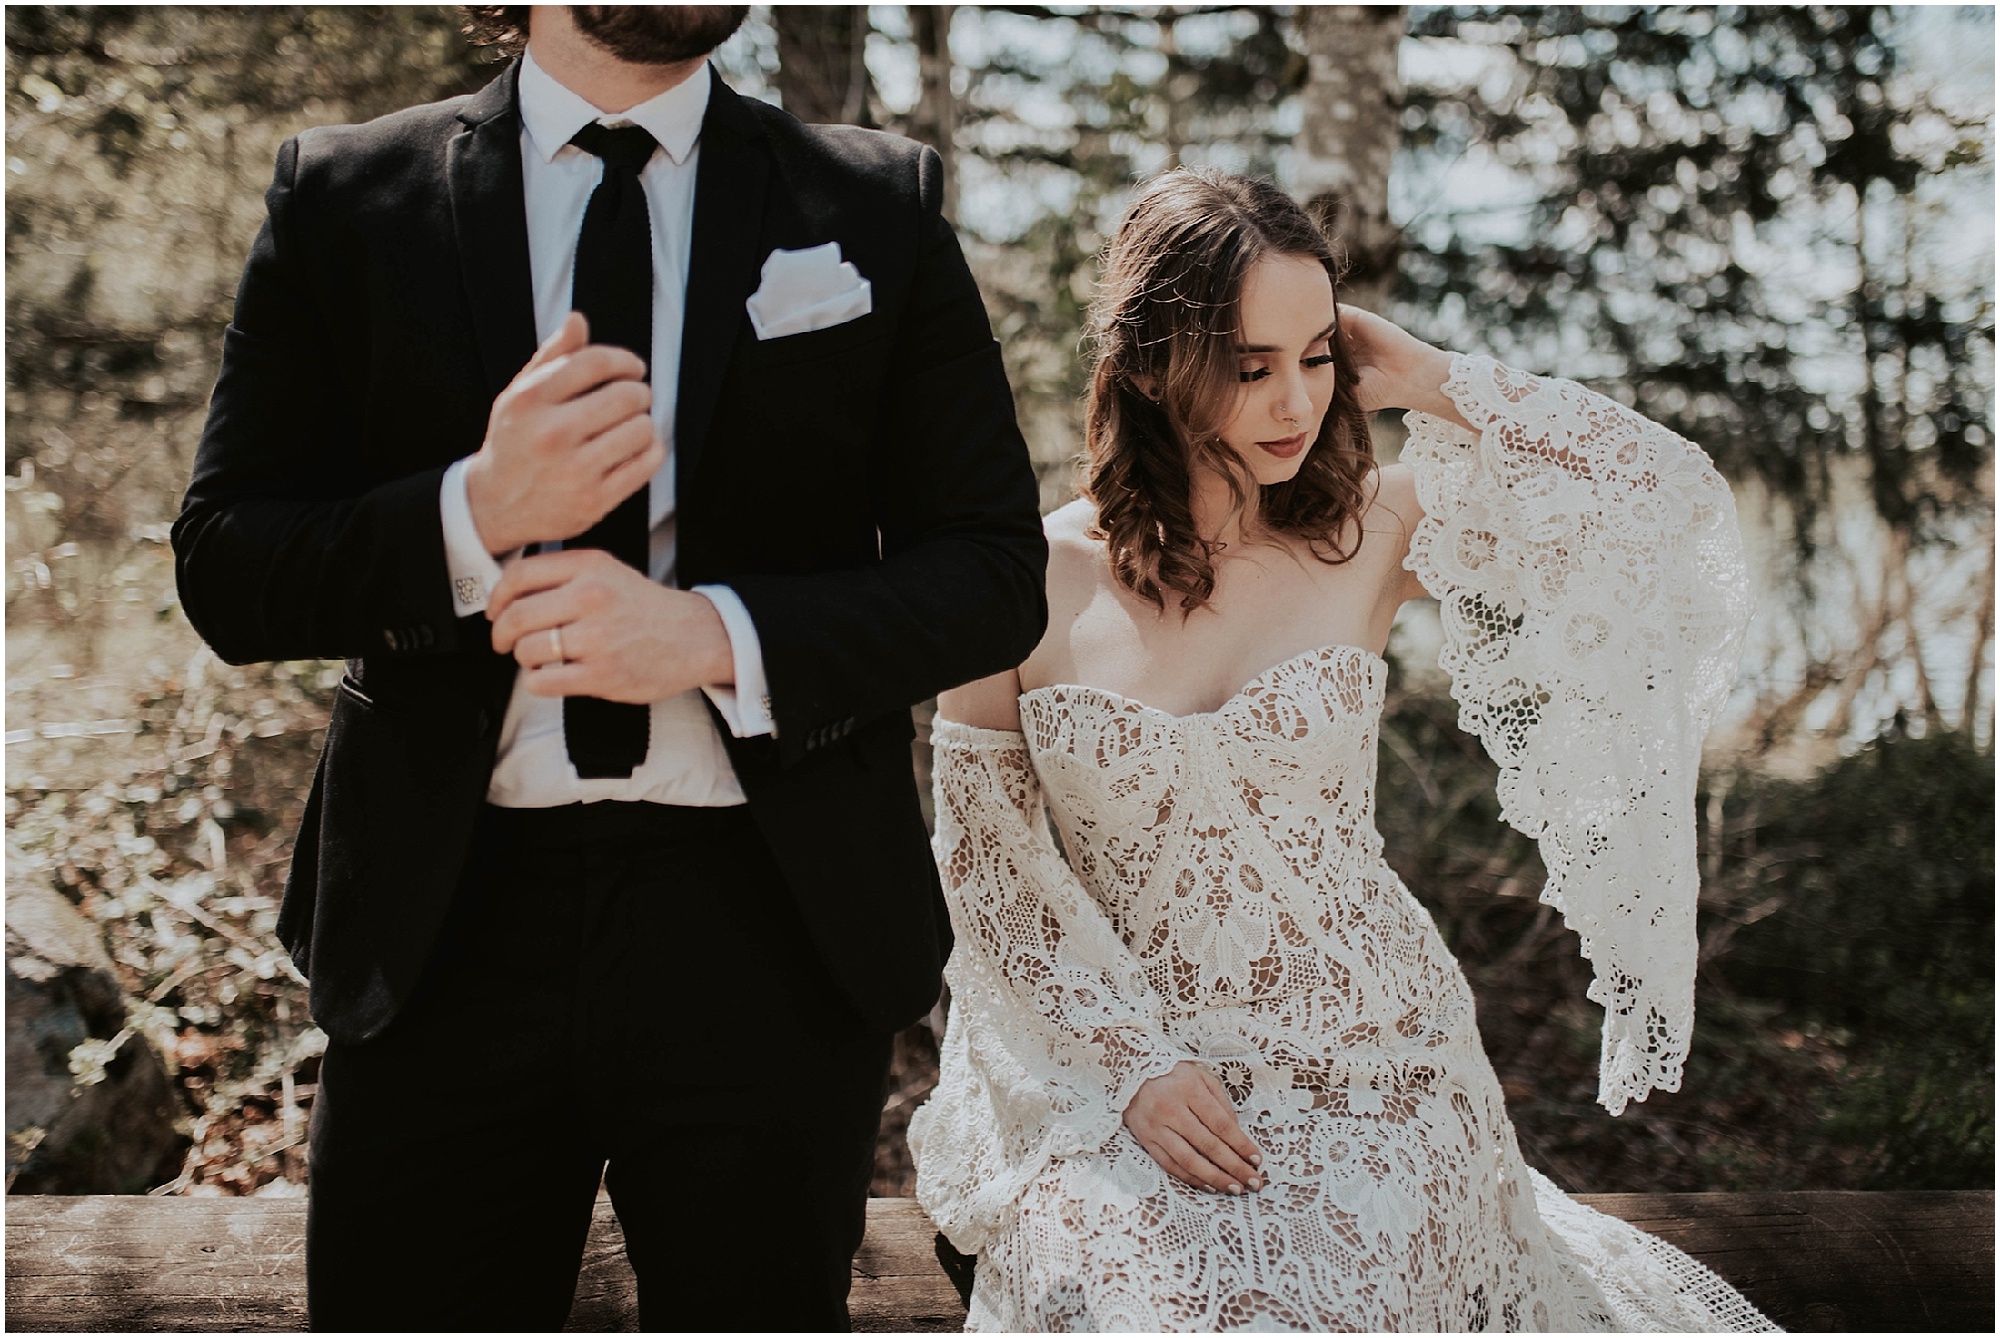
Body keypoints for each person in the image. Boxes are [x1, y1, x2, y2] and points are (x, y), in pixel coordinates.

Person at [172, 5, 1045, 1330]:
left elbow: (991, 574)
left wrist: (715, 637)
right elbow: (228, 567)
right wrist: (472, 512)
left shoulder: (876, 203)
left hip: (768, 930)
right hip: (441, 931)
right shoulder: (346, 196)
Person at [908, 169, 1775, 1331]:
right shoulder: (1022, 574)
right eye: (1248, 365)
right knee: (1138, 1298)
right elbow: (990, 870)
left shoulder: (1376, 529)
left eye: (1314, 356)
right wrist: (1128, 1065)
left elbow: (1665, 506)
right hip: (1106, 1061)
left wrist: (1427, 376)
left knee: (1365, 1280)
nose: (1294, 402)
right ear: (1151, 362)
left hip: (1375, 1052)